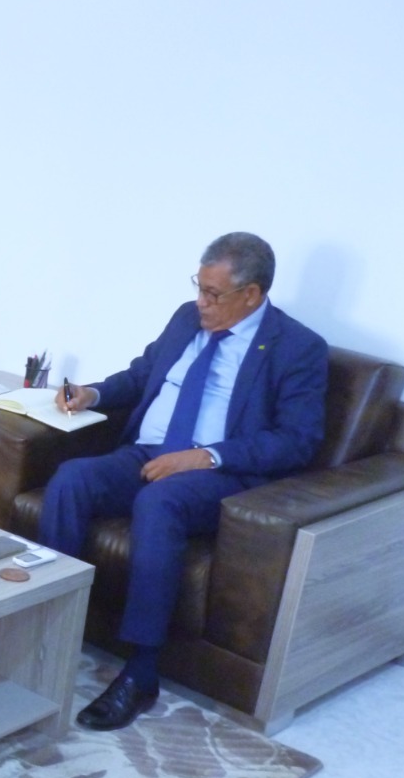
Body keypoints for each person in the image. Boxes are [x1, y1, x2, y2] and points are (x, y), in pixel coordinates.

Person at [39, 232, 328, 730]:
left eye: (213, 294)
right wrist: (93, 393)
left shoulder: (297, 348)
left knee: (160, 502)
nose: (201, 303)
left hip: (222, 472)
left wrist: (204, 456)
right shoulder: (185, 318)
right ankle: (45, 626)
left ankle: (141, 672)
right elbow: (144, 374)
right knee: (72, 479)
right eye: (199, 287)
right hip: (149, 452)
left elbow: (297, 440)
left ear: (252, 294)